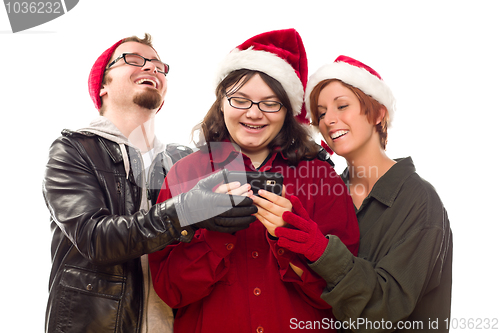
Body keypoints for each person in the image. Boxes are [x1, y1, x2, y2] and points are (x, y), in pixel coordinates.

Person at [42, 33, 257, 333]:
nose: (151, 68)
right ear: (102, 85)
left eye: (159, 65)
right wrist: (186, 210)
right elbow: (94, 238)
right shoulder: (74, 149)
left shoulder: (184, 162)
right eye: (134, 59)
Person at [148, 29, 360, 333]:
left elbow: (344, 295)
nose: (254, 114)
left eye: (270, 103)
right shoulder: (184, 174)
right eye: (240, 100)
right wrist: (217, 234)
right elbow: (170, 290)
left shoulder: (321, 176)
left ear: (287, 112)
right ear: (221, 103)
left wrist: (293, 238)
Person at [275, 55, 453, 332]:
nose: (329, 120)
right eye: (321, 114)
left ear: (378, 113)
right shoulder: (329, 192)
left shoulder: (420, 201)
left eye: (342, 106)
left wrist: (323, 253)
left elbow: (384, 309)